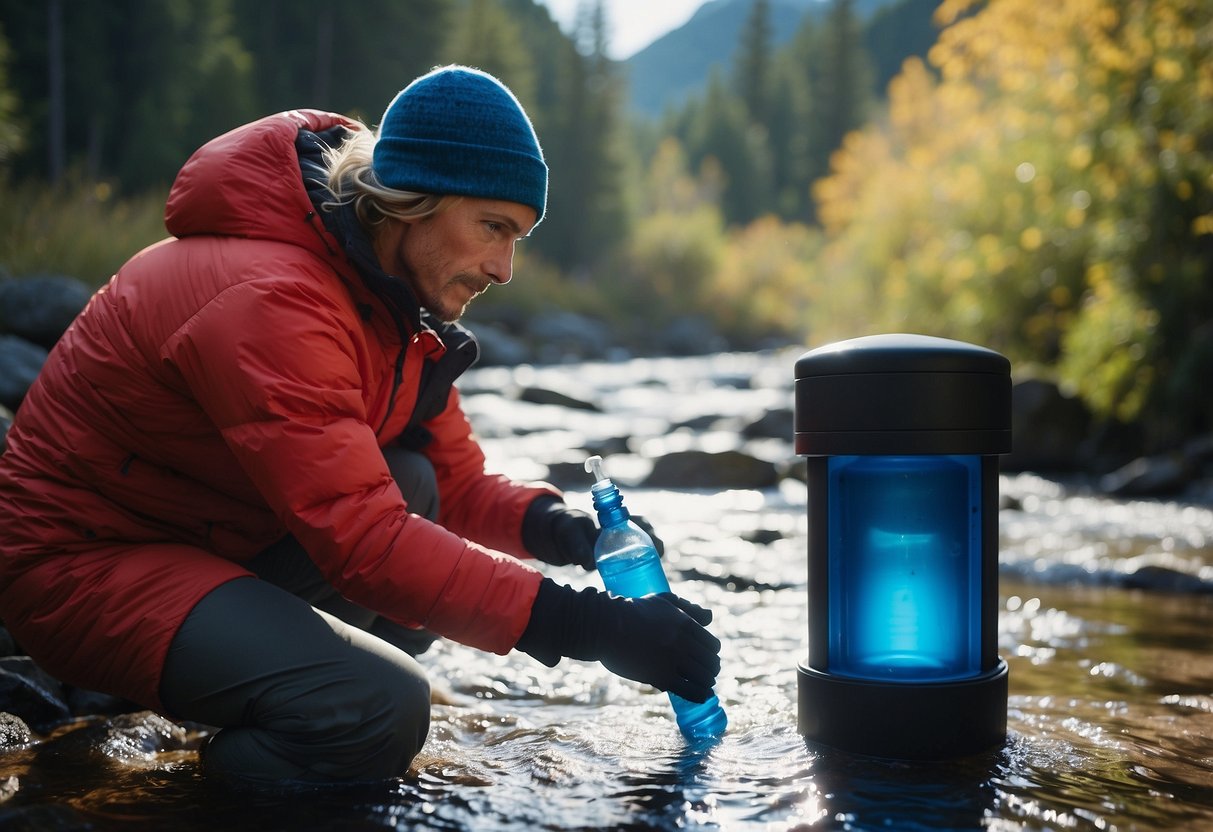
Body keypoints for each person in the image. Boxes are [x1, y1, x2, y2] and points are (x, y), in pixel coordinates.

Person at [0, 65, 722, 786]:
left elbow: (451, 480)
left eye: (519, 238)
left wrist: (569, 534)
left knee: (412, 482)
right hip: (79, 564)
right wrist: (590, 628)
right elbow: (363, 542)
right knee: (379, 708)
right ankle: (159, 799)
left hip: (195, 538)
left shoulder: (391, 304)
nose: (504, 268)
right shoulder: (272, 297)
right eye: (492, 227)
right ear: (413, 200)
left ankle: (256, 690)